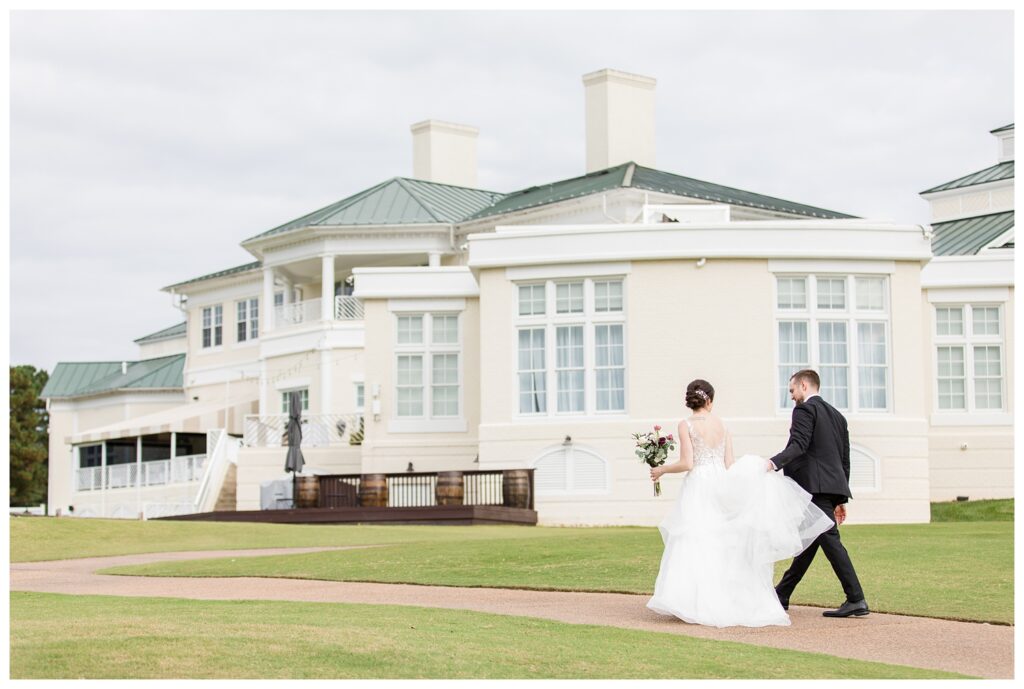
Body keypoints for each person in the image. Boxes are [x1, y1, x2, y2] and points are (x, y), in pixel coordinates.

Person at [646, 379, 833, 628]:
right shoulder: (723, 425)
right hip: (721, 482)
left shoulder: (686, 424)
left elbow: (688, 463)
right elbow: (730, 464)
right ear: (710, 400)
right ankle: (726, 598)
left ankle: (693, 601)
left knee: (696, 537)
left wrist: (662, 469)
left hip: (699, 484)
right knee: (723, 541)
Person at [769, 369, 869, 618]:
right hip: (829, 487)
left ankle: (856, 598)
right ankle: (782, 593)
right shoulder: (838, 416)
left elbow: (799, 445)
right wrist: (840, 498)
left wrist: (772, 463)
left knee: (830, 541)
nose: (791, 396)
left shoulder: (804, 410)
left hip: (812, 487)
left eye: (792, 390)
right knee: (810, 540)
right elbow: (844, 460)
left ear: (804, 385)